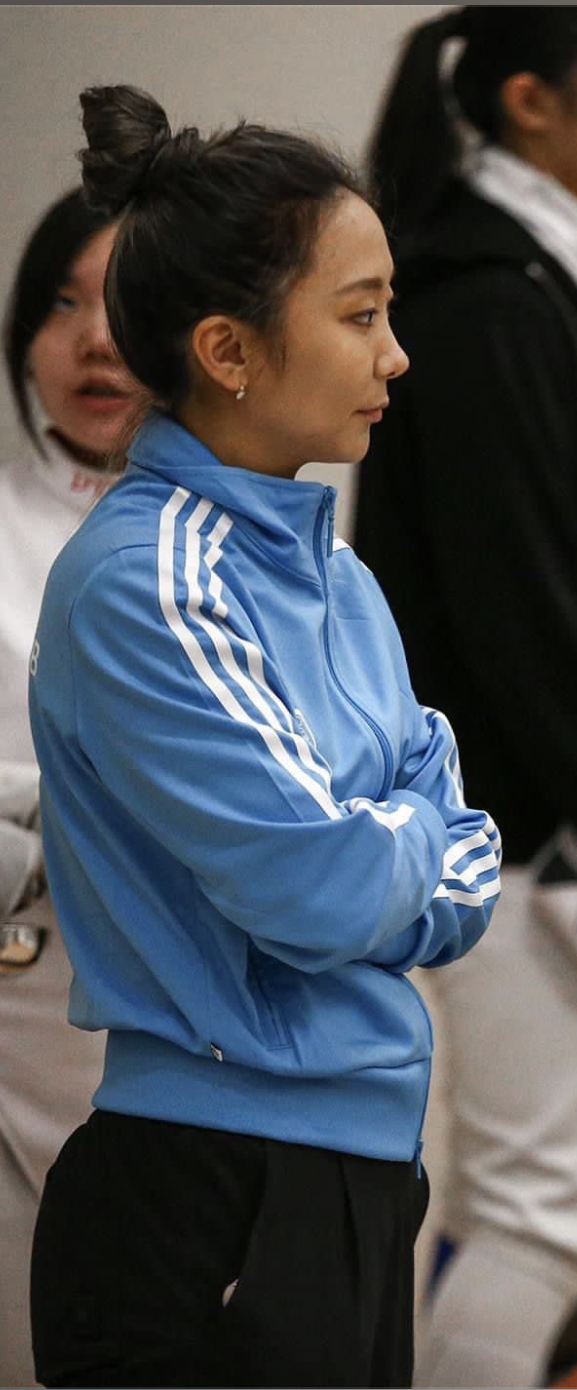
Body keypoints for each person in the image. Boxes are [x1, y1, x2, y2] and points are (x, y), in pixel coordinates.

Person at [26, 84, 502, 1389]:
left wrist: (407, 843)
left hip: (350, 1169)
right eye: (359, 316)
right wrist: (411, 839)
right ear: (230, 352)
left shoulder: (333, 573)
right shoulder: (148, 579)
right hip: (205, 1188)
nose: (395, 353)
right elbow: (323, 883)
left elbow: (459, 861)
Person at [353, 8, 577, 1387]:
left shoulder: (570, 266)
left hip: (548, 804)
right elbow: (520, 602)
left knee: (526, 1194)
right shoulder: (486, 291)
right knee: (541, 1206)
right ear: (528, 103)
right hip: (504, 815)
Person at [0, 189, 138, 1390]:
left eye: (121, 302)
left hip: (194, 1036)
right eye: (60, 302)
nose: (93, 338)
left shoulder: (290, 551)